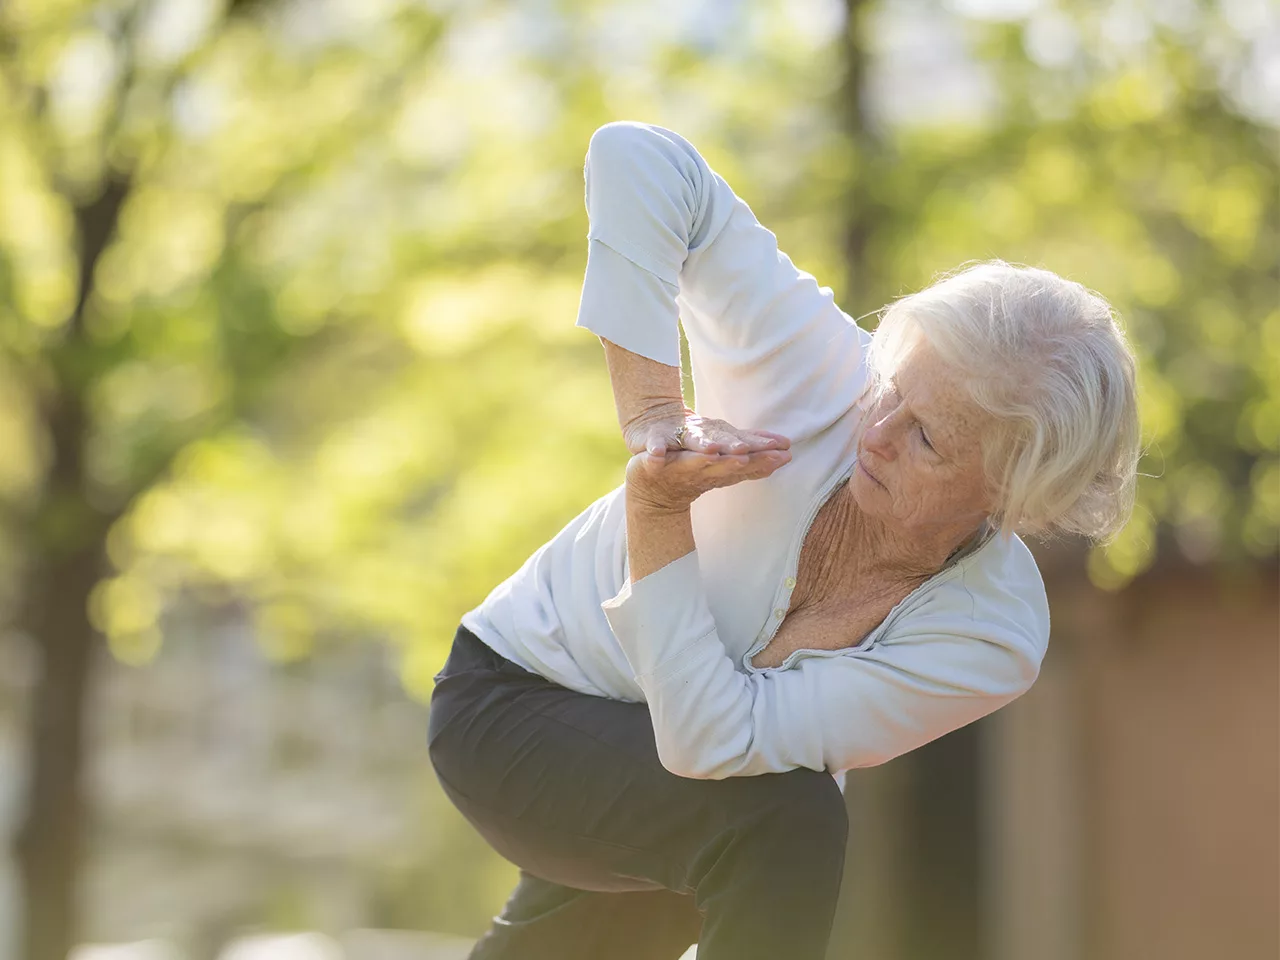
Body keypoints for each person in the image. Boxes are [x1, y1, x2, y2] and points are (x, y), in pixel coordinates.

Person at [427, 121, 1141, 960]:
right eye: (893, 391)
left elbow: (715, 741)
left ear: (1016, 497)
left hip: (678, 776)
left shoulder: (993, 634)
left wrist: (659, 522)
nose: (875, 433)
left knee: (747, 820)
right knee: (785, 820)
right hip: (515, 700)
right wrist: (654, 418)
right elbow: (639, 158)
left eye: (928, 441)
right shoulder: (812, 362)